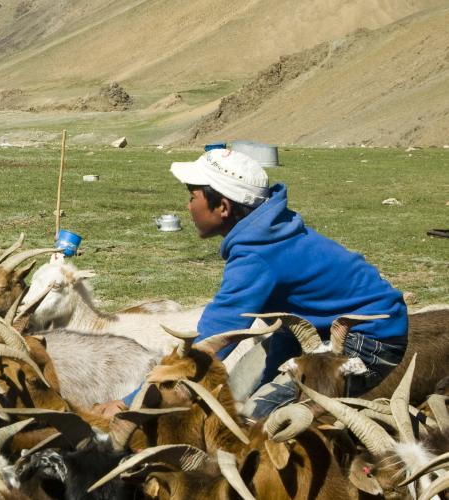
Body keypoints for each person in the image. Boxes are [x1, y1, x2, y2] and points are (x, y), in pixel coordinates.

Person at [169, 148, 408, 417]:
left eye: (192, 198)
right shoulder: (268, 228)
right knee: (252, 392)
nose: (188, 207)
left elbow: (214, 338)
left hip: (370, 339)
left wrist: (143, 396)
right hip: (340, 326)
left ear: (223, 207)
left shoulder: (256, 257)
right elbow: (290, 319)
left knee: (262, 421)